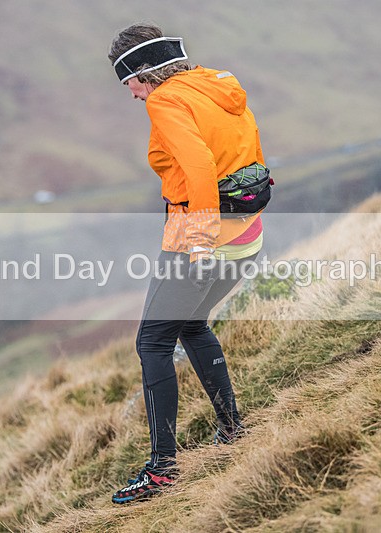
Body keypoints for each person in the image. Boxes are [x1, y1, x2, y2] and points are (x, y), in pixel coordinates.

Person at [108, 23, 267, 504]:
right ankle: (232, 427)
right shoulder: (218, 85)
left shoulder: (165, 100)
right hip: (248, 234)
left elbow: (198, 166)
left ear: (146, 73)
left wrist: (197, 243)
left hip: (201, 238)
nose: (133, 94)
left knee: (152, 342)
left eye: (131, 83)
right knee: (192, 325)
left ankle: (163, 469)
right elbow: (245, 153)